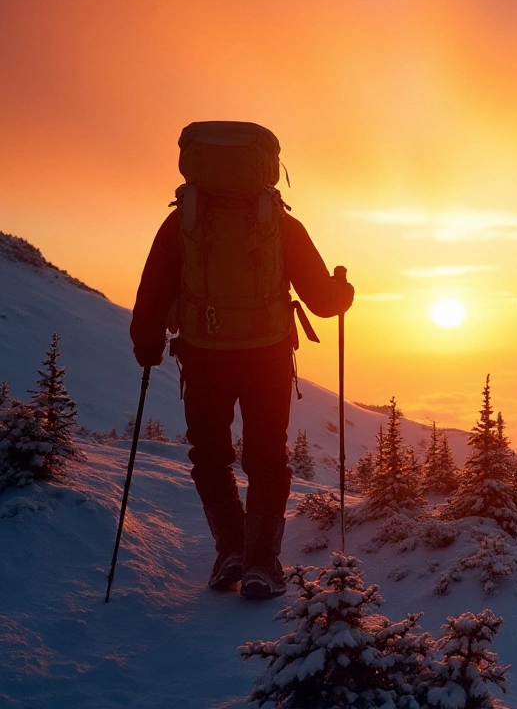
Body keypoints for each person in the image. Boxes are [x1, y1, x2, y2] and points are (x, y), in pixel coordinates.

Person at [130, 121, 353, 599]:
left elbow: (152, 294)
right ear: (267, 165)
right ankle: (262, 564)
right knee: (267, 460)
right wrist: (344, 292)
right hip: (267, 358)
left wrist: (146, 345)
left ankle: (230, 551)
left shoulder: (182, 222)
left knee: (210, 456)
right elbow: (322, 301)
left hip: (203, 357)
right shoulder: (280, 223)